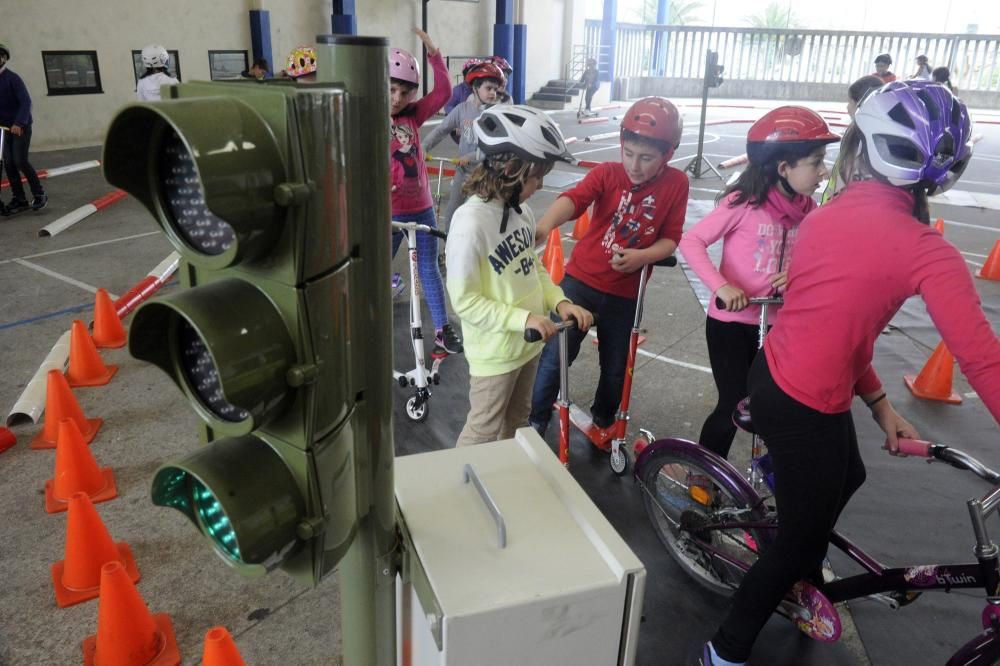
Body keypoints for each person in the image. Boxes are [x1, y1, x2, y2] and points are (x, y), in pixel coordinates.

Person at [699, 80, 1000, 666]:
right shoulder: (925, 250)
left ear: (858, 149)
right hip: (802, 399)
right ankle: (723, 650)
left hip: (785, 378)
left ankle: (803, 573)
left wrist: (882, 408)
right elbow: (984, 361)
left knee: (850, 476)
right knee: (795, 540)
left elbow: (842, 331)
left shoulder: (823, 217)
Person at [679, 106, 839, 460]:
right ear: (783, 168)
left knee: (772, 404)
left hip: (778, 326)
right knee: (733, 404)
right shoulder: (744, 203)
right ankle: (701, 472)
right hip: (732, 325)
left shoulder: (810, 211)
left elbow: (822, 260)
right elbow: (691, 242)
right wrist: (721, 287)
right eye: (815, 161)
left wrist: (800, 275)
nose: (823, 171)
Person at [528, 97, 688, 435]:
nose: (635, 165)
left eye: (646, 158)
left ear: (668, 154)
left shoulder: (676, 185)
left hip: (625, 295)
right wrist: (545, 226)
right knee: (556, 357)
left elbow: (671, 238)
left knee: (616, 367)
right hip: (580, 284)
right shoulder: (607, 173)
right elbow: (573, 200)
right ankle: (536, 419)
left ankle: (603, 422)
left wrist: (642, 257)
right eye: (628, 153)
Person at [446, 105, 593, 446]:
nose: (540, 185)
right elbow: (464, 302)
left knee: (514, 422)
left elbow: (533, 265)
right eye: (536, 177)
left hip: (527, 346)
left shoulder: (520, 210)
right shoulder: (470, 224)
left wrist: (560, 302)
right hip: (496, 353)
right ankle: (464, 490)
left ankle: (500, 479)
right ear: (511, 170)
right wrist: (522, 317)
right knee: (482, 430)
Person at [389, 29, 463, 356]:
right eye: (391, 90)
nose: (397, 98)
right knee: (374, 269)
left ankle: (442, 331)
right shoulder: (366, 118)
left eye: (405, 92)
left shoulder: (413, 115)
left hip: (421, 208)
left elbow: (445, 91)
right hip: (388, 213)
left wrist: (434, 54)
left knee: (429, 268)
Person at [424, 61, 507, 234]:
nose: (493, 93)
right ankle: (448, 247)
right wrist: (423, 148)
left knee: (478, 216)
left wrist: (471, 156)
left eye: (495, 89)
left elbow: (493, 147)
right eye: (489, 88)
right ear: (476, 88)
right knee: (453, 211)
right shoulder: (462, 110)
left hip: (486, 174)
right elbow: (441, 130)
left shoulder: (496, 114)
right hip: (463, 172)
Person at [0, 42, 46, 216]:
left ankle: (39, 194)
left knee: (20, 160)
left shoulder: (12, 78)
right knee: (8, 164)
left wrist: (19, 123)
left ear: (4, 59)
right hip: (3, 129)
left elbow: (26, 102)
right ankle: (19, 199)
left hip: (20, 126)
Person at [821, 74, 883, 203]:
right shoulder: (877, 135)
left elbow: (847, 176)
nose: (847, 107)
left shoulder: (857, 136)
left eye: (849, 102)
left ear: (858, 104)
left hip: (840, 208)